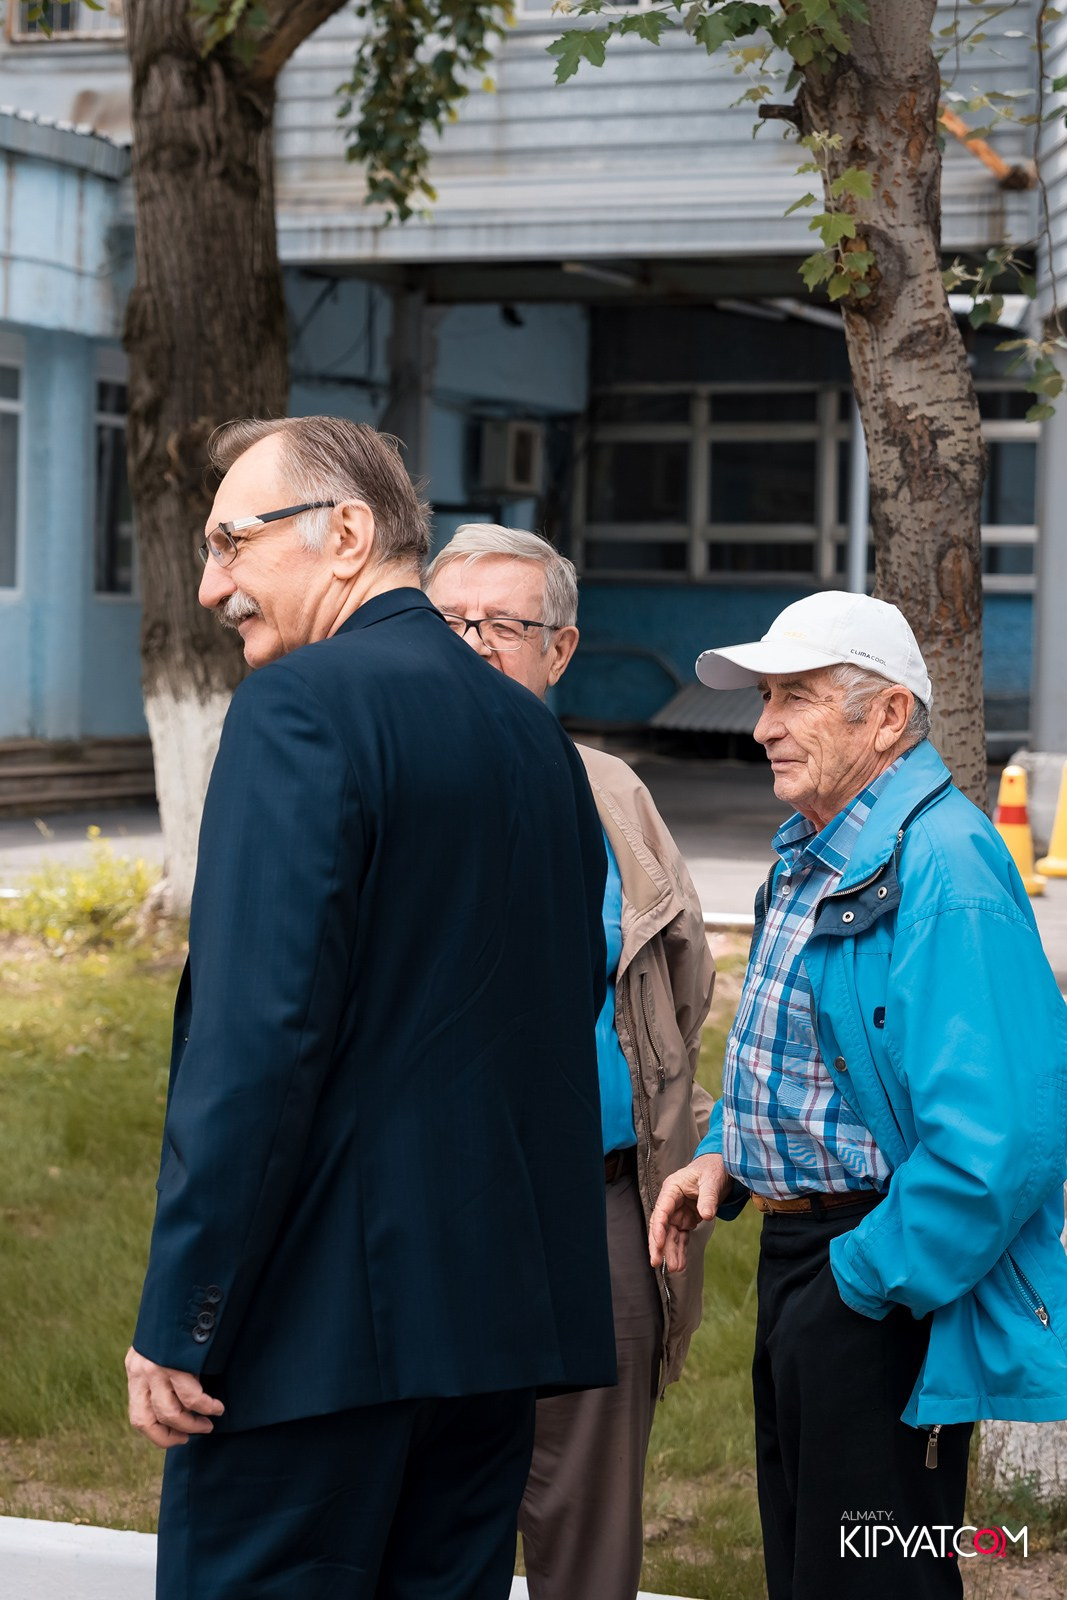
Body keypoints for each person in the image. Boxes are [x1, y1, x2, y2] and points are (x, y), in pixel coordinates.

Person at [125, 420, 617, 1600]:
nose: (211, 585)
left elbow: (259, 1044)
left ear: (345, 533)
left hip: (312, 1343)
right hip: (490, 1337)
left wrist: (185, 1316)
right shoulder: (530, 735)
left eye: (231, 543)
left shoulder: (301, 708)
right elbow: (550, 1011)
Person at [649, 590, 1067, 1600]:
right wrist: (724, 1153)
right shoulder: (819, 844)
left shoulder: (945, 863)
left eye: (792, 697)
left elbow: (1000, 1139)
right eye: (763, 698)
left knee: (873, 1579)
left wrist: (863, 1279)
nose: (760, 726)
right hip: (815, 1263)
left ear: (884, 717)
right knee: (812, 1567)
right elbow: (806, 1051)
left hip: (877, 1276)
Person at [425, 524, 715, 1600]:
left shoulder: (609, 793)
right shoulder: (374, 776)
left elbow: (676, 986)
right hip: (431, 1214)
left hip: (594, 1210)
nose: (475, 643)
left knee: (587, 1531)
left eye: (505, 624)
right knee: (426, 1505)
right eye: (450, 621)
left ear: (560, 647)